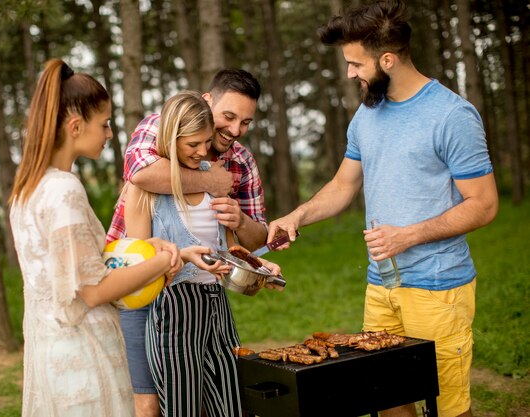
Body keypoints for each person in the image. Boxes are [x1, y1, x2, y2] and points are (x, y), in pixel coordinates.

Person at [267, 1, 498, 417]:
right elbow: (343, 185)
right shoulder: (367, 114)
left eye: (356, 64)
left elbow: (483, 205)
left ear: (387, 60)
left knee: (446, 407)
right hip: (381, 287)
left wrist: (408, 235)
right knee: (385, 398)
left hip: (438, 287)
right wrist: (295, 217)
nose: (351, 73)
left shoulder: (451, 115)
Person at [9, 58, 183, 417]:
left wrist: (144, 248)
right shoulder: (63, 189)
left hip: (48, 349)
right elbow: (94, 290)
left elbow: (79, 263)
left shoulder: (26, 191)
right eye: (103, 124)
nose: (109, 134)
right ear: (75, 126)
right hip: (83, 353)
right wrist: (164, 262)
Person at [107, 69, 268, 417]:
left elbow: (240, 244)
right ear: (208, 102)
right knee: (156, 404)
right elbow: (139, 177)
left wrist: (256, 261)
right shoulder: (158, 130)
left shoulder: (237, 163)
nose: (236, 130)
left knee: (230, 403)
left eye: (246, 122)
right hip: (151, 296)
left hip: (212, 303)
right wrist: (210, 181)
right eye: (229, 117)